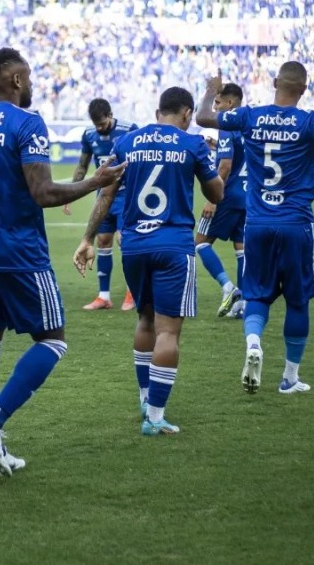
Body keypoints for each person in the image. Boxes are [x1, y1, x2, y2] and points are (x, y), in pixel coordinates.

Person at [0, 47, 124, 477]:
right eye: (29, 77)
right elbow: (44, 193)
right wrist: (95, 181)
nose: (34, 84)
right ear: (17, 81)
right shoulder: (27, 122)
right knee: (53, 341)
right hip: (20, 251)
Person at [201, 64, 314, 395]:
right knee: (297, 301)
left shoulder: (250, 116)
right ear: (304, 89)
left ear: (273, 83)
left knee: (256, 293)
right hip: (296, 224)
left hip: (257, 223)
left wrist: (212, 90)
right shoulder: (310, 121)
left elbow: (204, 118)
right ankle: (289, 378)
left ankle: (253, 343)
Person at [74, 86, 224, 436]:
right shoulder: (192, 143)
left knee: (144, 320)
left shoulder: (127, 143)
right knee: (168, 331)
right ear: (187, 114)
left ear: (158, 111)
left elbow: (106, 194)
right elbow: (216, 193)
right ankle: (155, 417)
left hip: (135, 245)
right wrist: (208, 164)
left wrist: (87, 238)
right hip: (173, 246)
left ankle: (145, 397)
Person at [64, 98, 139, 311]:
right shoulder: (89, 135)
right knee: (103, 240)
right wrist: (70, 193)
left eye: (103, 123)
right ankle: (104, 297)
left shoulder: (129, 130)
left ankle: (132, 292)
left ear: (110, 115)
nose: (99, 128)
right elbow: (82, 166)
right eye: (96, 124)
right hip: (103, 198)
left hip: (126, 196)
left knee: (124, 240)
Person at [195, 83, 247, 317]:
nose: (215, 107)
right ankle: (243, 304)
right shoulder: (248, 126)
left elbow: (225, 165)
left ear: (230, 103)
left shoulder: (228, 126)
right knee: (241, 248)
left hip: (226, 195)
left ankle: (228, 287)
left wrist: (213, 199)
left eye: (218, 103)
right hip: (248, 197)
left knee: (200, 242)